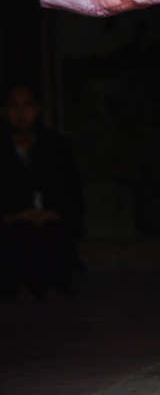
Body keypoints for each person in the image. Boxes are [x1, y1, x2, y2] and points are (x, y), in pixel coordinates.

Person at [0, 83, 84, 303]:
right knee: (20, 233)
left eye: (27, 105)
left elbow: (72, 191)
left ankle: (52, 285)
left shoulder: (56, 146)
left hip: (50, 217)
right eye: (13, 106)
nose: (20, 113)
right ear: (4, 111)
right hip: (12, 221)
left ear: (37, 109)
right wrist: (13, 216)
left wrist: (55, 212)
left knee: (51, 231)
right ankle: (19, 286)